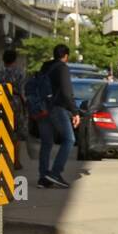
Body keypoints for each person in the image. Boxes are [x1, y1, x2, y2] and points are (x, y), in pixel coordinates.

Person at [37, 44, 80, 188]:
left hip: (42, 108)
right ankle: (55, 173)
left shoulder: (45, 67)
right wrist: (75, 112)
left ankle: (43, 178)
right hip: (57, 108)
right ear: (66, 56)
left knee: (47, 142)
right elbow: (67, 93)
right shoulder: (62, 68)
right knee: (69, 139)